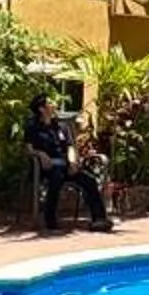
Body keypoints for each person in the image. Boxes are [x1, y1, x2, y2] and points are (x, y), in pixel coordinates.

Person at [25, 95, 113, 234]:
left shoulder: (62, 126)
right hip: (45, 167)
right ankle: (50, 221)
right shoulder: (33, 126)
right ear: (42, 109)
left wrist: (72, 162)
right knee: (56, 177)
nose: (54, 104)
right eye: (50, 103)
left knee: (88, 180)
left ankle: (99, 219)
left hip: (65, 165)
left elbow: (70, 147)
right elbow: (28, 148)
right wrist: (40, 154)